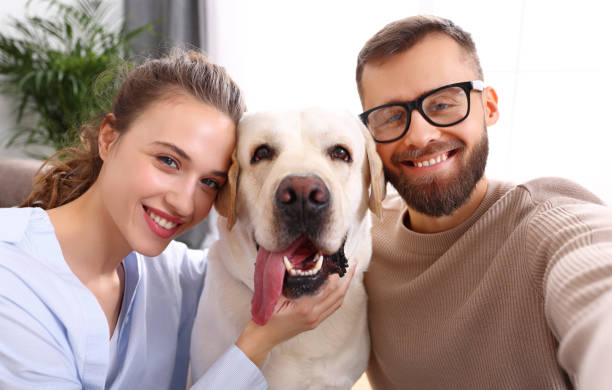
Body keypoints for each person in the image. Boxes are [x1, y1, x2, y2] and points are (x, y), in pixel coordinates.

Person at [0, 50, 354, 389]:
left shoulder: (174, 275)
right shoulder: (11, 276)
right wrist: (256, 344)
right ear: (108, 139)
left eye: (209, 182)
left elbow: (242, 263)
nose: (184, 203)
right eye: (168, 161)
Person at [355, 15, 612, 389]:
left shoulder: (547, 223)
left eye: (443, 104)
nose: (421, 136)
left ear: (488, 106)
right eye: (391, 117)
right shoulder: (361, 241)